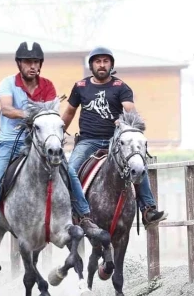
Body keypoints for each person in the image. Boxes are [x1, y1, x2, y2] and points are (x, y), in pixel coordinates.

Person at [0, 41, 101, 249]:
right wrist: (31, 114)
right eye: (28, 62)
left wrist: (44, 120)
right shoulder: (8, 83)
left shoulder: (48, 86)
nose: (33, 66)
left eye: (36, 62)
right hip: (10, 142)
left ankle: (85, 216)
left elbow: (51, 114)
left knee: (69, 172)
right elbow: (6, 109)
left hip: (41, 143)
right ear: (19, 64)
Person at [61, 46, 167, 227]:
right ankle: (74, 211)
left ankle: (148, 209)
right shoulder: (80, 87)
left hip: (115, 142)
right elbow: (70, 112)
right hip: (88, 141)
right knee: (70, 169)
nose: (101, 65)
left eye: (105, 61)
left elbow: (130, 111)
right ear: (91, 65)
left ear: (111, 65)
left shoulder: (121, 87)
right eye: (98, 61)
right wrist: (58, 132)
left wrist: (126, 121)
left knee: (138, 164)